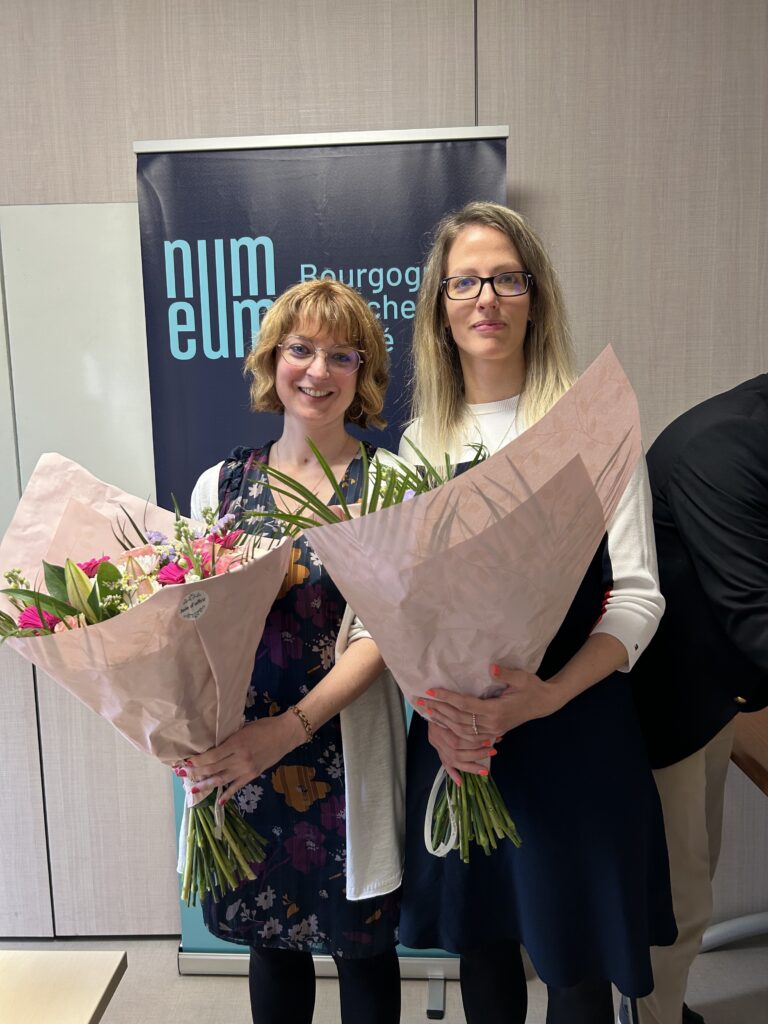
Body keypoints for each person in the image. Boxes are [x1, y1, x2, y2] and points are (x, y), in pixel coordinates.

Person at [398, 200, 677, 1024]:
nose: (486, 297)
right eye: (465, 282)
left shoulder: (593, 426)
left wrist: (549, 695)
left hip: (573, 728)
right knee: (485, 952)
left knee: (577, 967)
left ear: (535, 297)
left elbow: (636, 595)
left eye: (507, 278)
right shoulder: (420, 446)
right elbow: (403, 613)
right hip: (462, 740)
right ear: (440, 311)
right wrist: (439, 715)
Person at [186, 279, 405, 1024]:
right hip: (243, 759)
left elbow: (386, 634)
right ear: (272, 361)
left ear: (364, 373)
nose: (317, 371)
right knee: (272, 949)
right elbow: (188, 626)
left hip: (340, 752)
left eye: (341, 355)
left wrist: (288, 729)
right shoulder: (219, 487)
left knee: (364, 953)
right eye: (300, 350)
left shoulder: (389, 484)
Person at [628, 374, 768, 1024]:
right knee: (679, 903)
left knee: (697, 870)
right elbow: (754, 615)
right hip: (668, 706)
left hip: (718, 693)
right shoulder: (726, 443)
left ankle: (663, 1007)